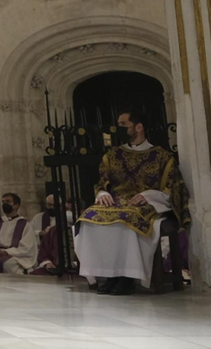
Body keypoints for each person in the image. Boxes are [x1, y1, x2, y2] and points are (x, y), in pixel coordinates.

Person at [74, 109, 191, 295]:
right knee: (88, 218)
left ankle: (127, 278)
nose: (117, 128)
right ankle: (109, 275)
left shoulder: (161, 156)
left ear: (139, 127)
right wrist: (102, 192)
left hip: (148, 203)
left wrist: (150, 195)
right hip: (117, 200)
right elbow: (101, 181)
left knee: (127, 220)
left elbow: (173, 186)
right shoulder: (112, 155)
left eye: (123, 124)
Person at [0, 192, 40, 275]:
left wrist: (7, 252)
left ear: (16, 205)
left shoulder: (25, 225)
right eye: (3, 202)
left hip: (15, 255)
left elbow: (26, 248)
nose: (4, 204)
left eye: (8, 202)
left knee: (7, 264)